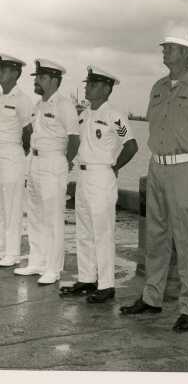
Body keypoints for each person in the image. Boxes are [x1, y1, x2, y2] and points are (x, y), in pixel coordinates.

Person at [120, 24, 188, 332]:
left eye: (169, 47)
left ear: (187, 53)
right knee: (156, 237)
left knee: (187, 241)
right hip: (157, 167)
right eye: (164, 47)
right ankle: (152, 298)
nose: (164, 51)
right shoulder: (158, 86)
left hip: (184, 169)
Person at [59, 65, 138, 303]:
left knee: (102, 233)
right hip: (83, 178)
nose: (87, 87)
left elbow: (132, 145)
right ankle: (86, 278)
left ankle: (106, 285)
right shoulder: (83, 115)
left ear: (106, 88)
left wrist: (114, 167)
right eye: (87, 83)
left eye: (92, 84)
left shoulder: (115, 117)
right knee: (83, 232)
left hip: (102, 177)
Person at [14, 59, 80, 285]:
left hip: (53, 164)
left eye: (41, 78)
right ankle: (37, 261)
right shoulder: (39, 105)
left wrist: (65, 162)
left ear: (54, 80)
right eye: (37, 78)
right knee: (34, 215)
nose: (37, 81)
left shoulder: (65, 105)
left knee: (52, 218)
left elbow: (74, 139)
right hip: (35, 161)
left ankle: (53, 268)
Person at [0, 54, 33, 267]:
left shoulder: (22, 99)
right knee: (1, 207)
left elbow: (28, 132)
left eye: (2, 69)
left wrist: (20, 152)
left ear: (14, 73)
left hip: (13, 154)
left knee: (12, 206)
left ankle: (12, 253)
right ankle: (2, 249)